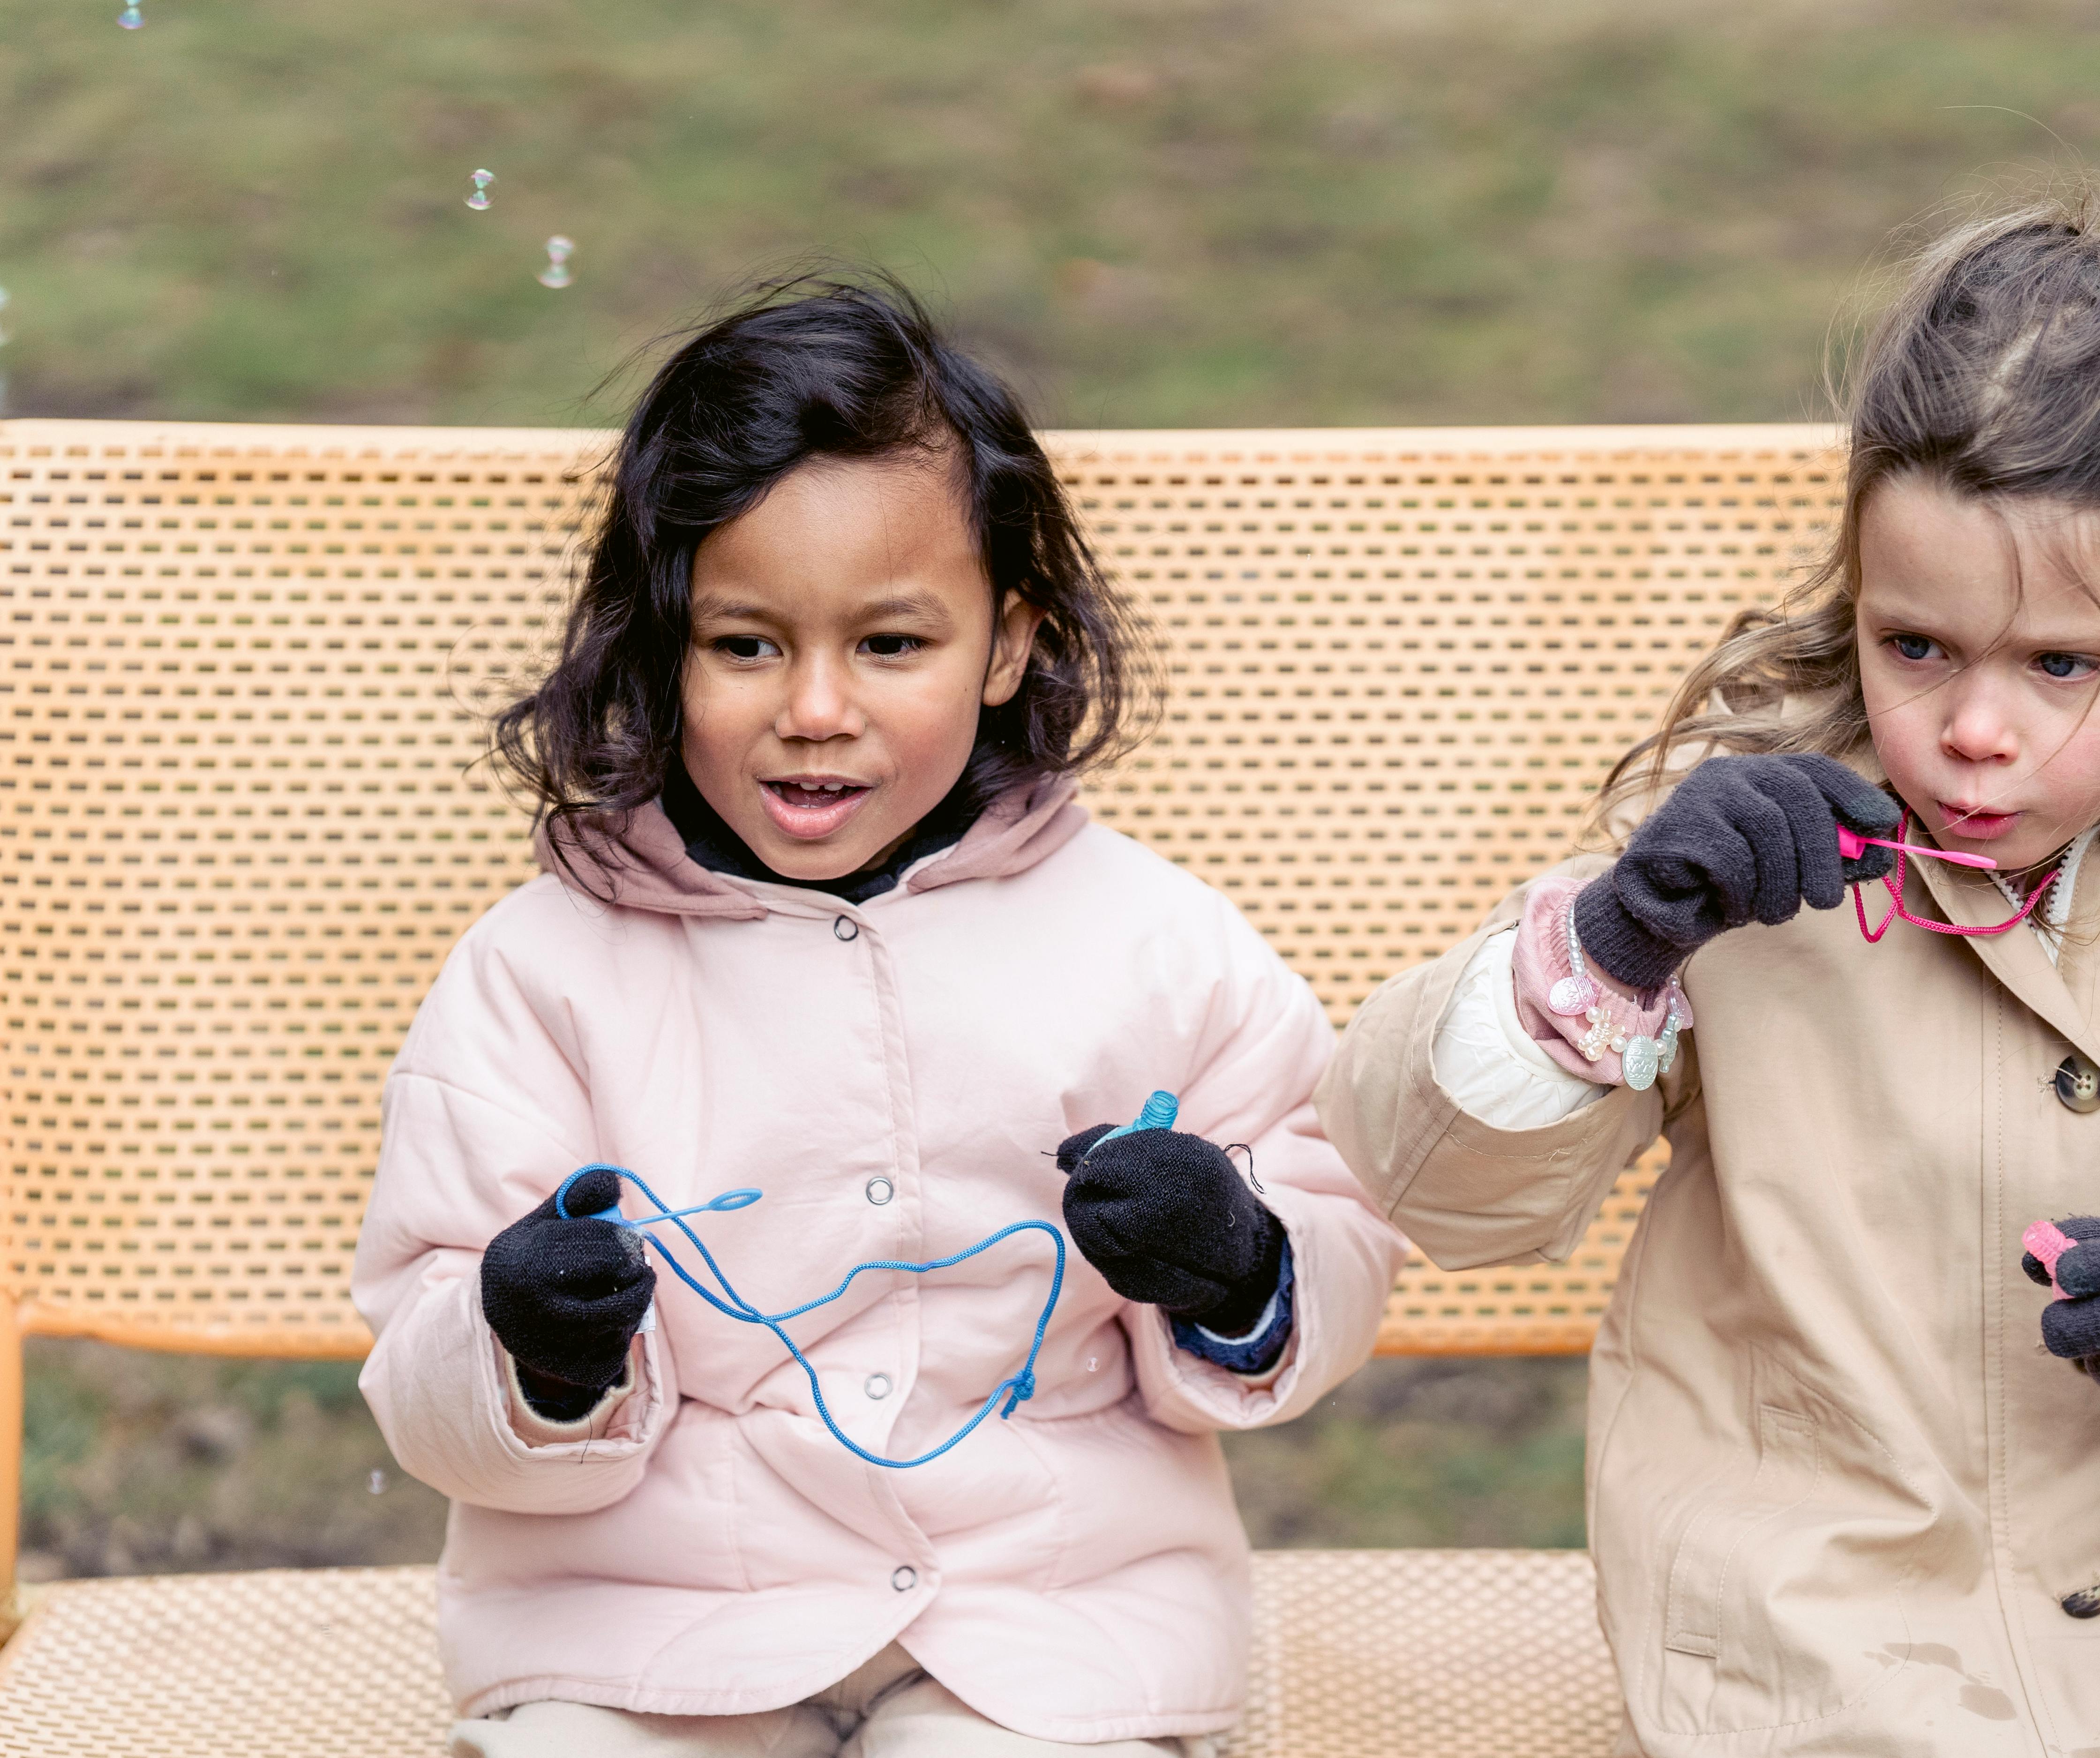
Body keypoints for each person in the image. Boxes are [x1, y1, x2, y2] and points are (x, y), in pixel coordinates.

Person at [1318, 202, 2100, 1758]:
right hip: (1826, 1663)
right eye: (1915, 648)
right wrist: (1617, 944)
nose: (1974, 728)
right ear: (1857, 593)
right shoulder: (1739, 851)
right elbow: (1441, 1189)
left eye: (2057, 664)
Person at [353, 275, 1407, 1758]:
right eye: (746, 645)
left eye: (890, 646)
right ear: (661, 648)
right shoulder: (541, 968)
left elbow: (1336, 1218)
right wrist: (527, 1348)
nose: (815, 707)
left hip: (1045, 1627)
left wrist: (1240, 1268)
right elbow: (423, 1348)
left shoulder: (1157, 944)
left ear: (1005, 646)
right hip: (643, 1635)